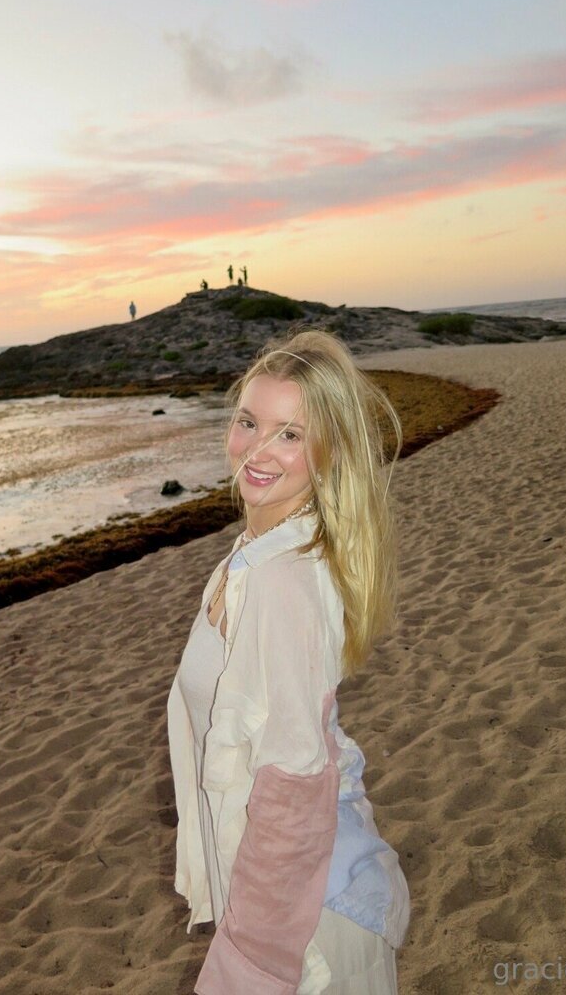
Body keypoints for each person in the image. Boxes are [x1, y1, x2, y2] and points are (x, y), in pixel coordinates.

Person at [167, 327, 410, 993]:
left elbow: (293, 786)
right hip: (302, 889)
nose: (257, 449)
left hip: (305, 924)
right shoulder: (252, 558)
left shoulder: (281, 582)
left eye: (291, 434)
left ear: (328, 452)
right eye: (249, 422)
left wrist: (251, 957)